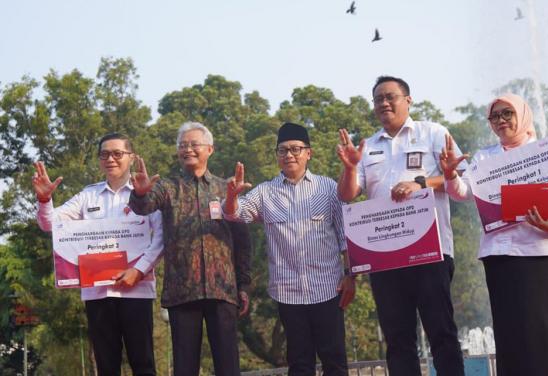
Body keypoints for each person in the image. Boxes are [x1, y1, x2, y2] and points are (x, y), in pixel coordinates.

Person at [337, 76, 466, 376]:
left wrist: (420, 183)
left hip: (430, 252)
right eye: (378, 99)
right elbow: (346, 195)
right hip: (385, 257)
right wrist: (350, 167)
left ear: (408, 100)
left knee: (442, 334)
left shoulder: (433, 133)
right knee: (397, 341)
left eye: (390, 96)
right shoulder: (367, 148)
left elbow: (461, 181)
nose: (384, 103)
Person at [440, 93, 548, 376]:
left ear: (523, 116)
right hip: (499, 255)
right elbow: (465, 192)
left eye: (507, 114)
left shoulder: (546, 150)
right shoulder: (485, 157)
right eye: (494, 116)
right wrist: (451, 176)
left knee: (546, 331)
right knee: (510, 332)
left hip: (540, 252)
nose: (501, 121)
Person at [223, 122, 356, 376]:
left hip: (329, 289)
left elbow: (344, 237)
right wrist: (231, 196)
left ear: (309, 153)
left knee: (335, 361)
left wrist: (351, 275)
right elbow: (235, 214)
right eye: (282, 150)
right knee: (299, 363)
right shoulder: (265, 193)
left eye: (296, 149)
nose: (289, 155)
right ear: (277, 156)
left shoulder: (328, 188)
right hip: (288, 293)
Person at [33, 133, 164, 376]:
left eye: (117, 153)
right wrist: (44, 199)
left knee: (143, 364)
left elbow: (161, 238)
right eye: (104, 154)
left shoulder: (147, 193)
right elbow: (50, 224)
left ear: (131, 158)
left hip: (136, 290)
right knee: (106, 366)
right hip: (97, 293)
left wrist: (139, 270)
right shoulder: (87, 196)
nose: (110, 159)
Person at [127, 122, 251, 376]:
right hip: (182, 292)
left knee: (228, 366)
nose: (188, 150)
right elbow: (144, 206)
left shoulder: (225, 188)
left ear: (210, 149)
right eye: (183, 145)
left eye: (194, 144)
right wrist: (139, 194)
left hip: (223, 289)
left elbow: (242, 240)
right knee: (184, 367)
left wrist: (244, 285)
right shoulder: (168, 187)